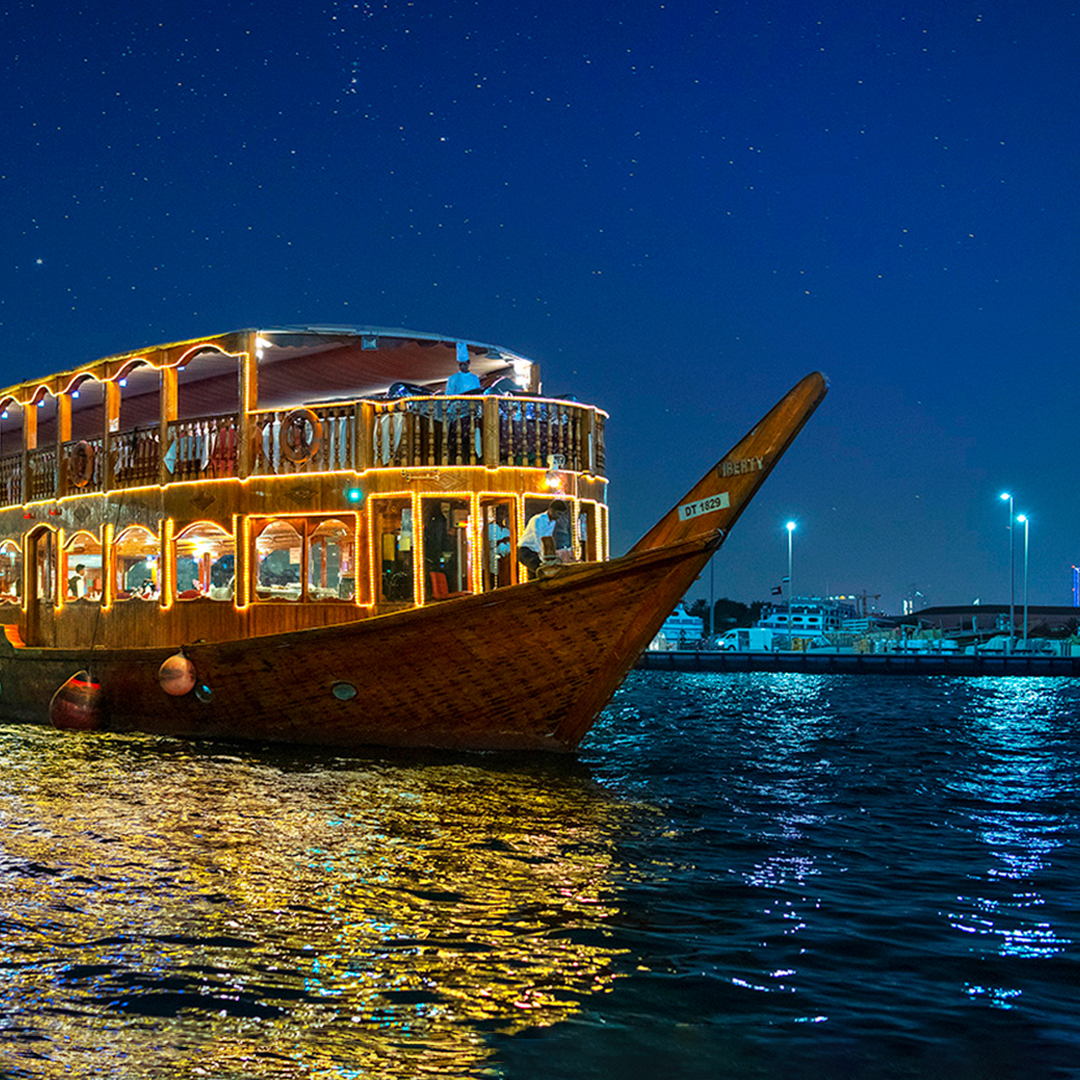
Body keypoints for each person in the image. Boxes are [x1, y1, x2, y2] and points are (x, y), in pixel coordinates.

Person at [517, 500, 568, 574]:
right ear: (551, 510)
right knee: (541, 571)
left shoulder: (553, 522)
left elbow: (548, 539)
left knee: (537, 574)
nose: (559, 517)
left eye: (561, 515)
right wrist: (544, 558)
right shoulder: (538, 519)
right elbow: (538, 539)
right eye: (558, 514)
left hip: (536, 552)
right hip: (525, 550)